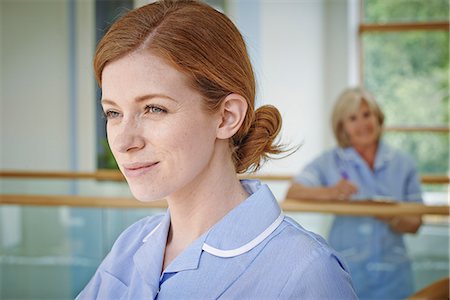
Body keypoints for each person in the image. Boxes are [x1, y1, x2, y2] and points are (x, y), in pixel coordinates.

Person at [76, 1, 357, 299]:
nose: (123, 142)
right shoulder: (131, 244)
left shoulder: (306, 272)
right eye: (113, 113)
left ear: (226, 117)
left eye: (154, 109)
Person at [287, 87, 423, 299]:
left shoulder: (403, 163)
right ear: (343, 127)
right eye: (353, 118)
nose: (362, 124)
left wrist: (391, 215)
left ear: (377, 117)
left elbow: (415, 222)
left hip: (394, 276)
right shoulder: (329, 162)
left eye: (367, 115)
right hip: (347, 272)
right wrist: (331, 192)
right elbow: (294, 193)